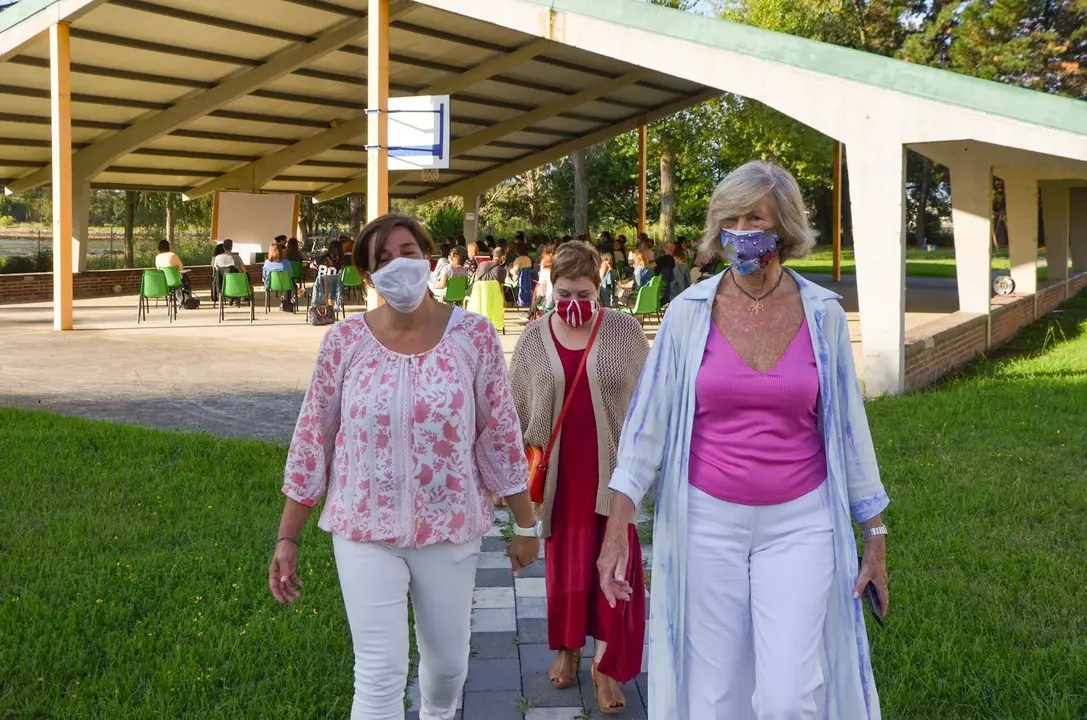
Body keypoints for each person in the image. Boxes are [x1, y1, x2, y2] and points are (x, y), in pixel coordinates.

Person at [596, 160, 891, 720]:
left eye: (753, 217)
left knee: (787, 696)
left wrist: (873, 535)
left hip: (801, 523)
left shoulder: (822, 312)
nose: (739, 230)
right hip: (706, 523)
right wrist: (617, 533)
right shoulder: (688, 314)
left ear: (783, 228)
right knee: (716, 695)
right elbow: (644, 431)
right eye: (729, 217)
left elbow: (851, 432)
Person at [270, 213, 541, 720]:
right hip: (362, 527)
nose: (399, 266)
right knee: (378, 675)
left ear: (429, 259)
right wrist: (288, 537)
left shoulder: (474, 337)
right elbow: (313, 440)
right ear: (368, 277)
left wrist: (527, 525)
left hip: (450, 529)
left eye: (408, 253)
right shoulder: (344, 342)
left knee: (447, 667)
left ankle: (438, 714)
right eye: (383, 260)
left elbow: (500, 437)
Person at [509, 242, 649, 714]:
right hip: (559, 476)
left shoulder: (625, 331)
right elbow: (515, 405)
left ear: (599, 287)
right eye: (565, 291)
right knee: (567, 567)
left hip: (613, 472)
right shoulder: (533, 337)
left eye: (584, 292)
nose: (574, 301)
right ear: (551, 287)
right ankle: (567, 648)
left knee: (614, 567)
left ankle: (606, 666)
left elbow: (648, 399)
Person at [213, 239, 248, 306]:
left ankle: (226, 297)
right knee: (243, 277)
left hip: (222, 284)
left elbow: (216, 271)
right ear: (231, 247)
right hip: (236, 283)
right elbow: (245, 270)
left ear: (223, 247)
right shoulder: (236, 257)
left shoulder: (217, 258)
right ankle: (237, 297)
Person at [262, 242, 294, 309]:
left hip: (271, 286)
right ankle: (287, 301)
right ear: (281, 251)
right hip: (286, 285)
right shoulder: (286, 262)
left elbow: (264, 275)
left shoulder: (267, 263)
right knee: (293, 284)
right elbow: (291, 274)